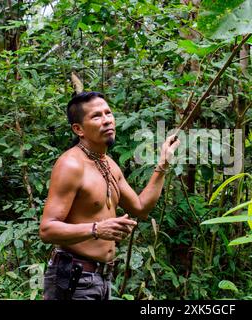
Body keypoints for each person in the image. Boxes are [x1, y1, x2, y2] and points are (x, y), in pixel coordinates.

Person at [39, 91, 180, 300]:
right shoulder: (71, 165)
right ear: (79, 129)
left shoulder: (108, 164)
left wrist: (163, 164)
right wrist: (96, 229)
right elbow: (47, 229)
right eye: (96, 116)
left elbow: (141, 208)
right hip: (73, 279)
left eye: (108, 113)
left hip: (102, 278)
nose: (107, 120)